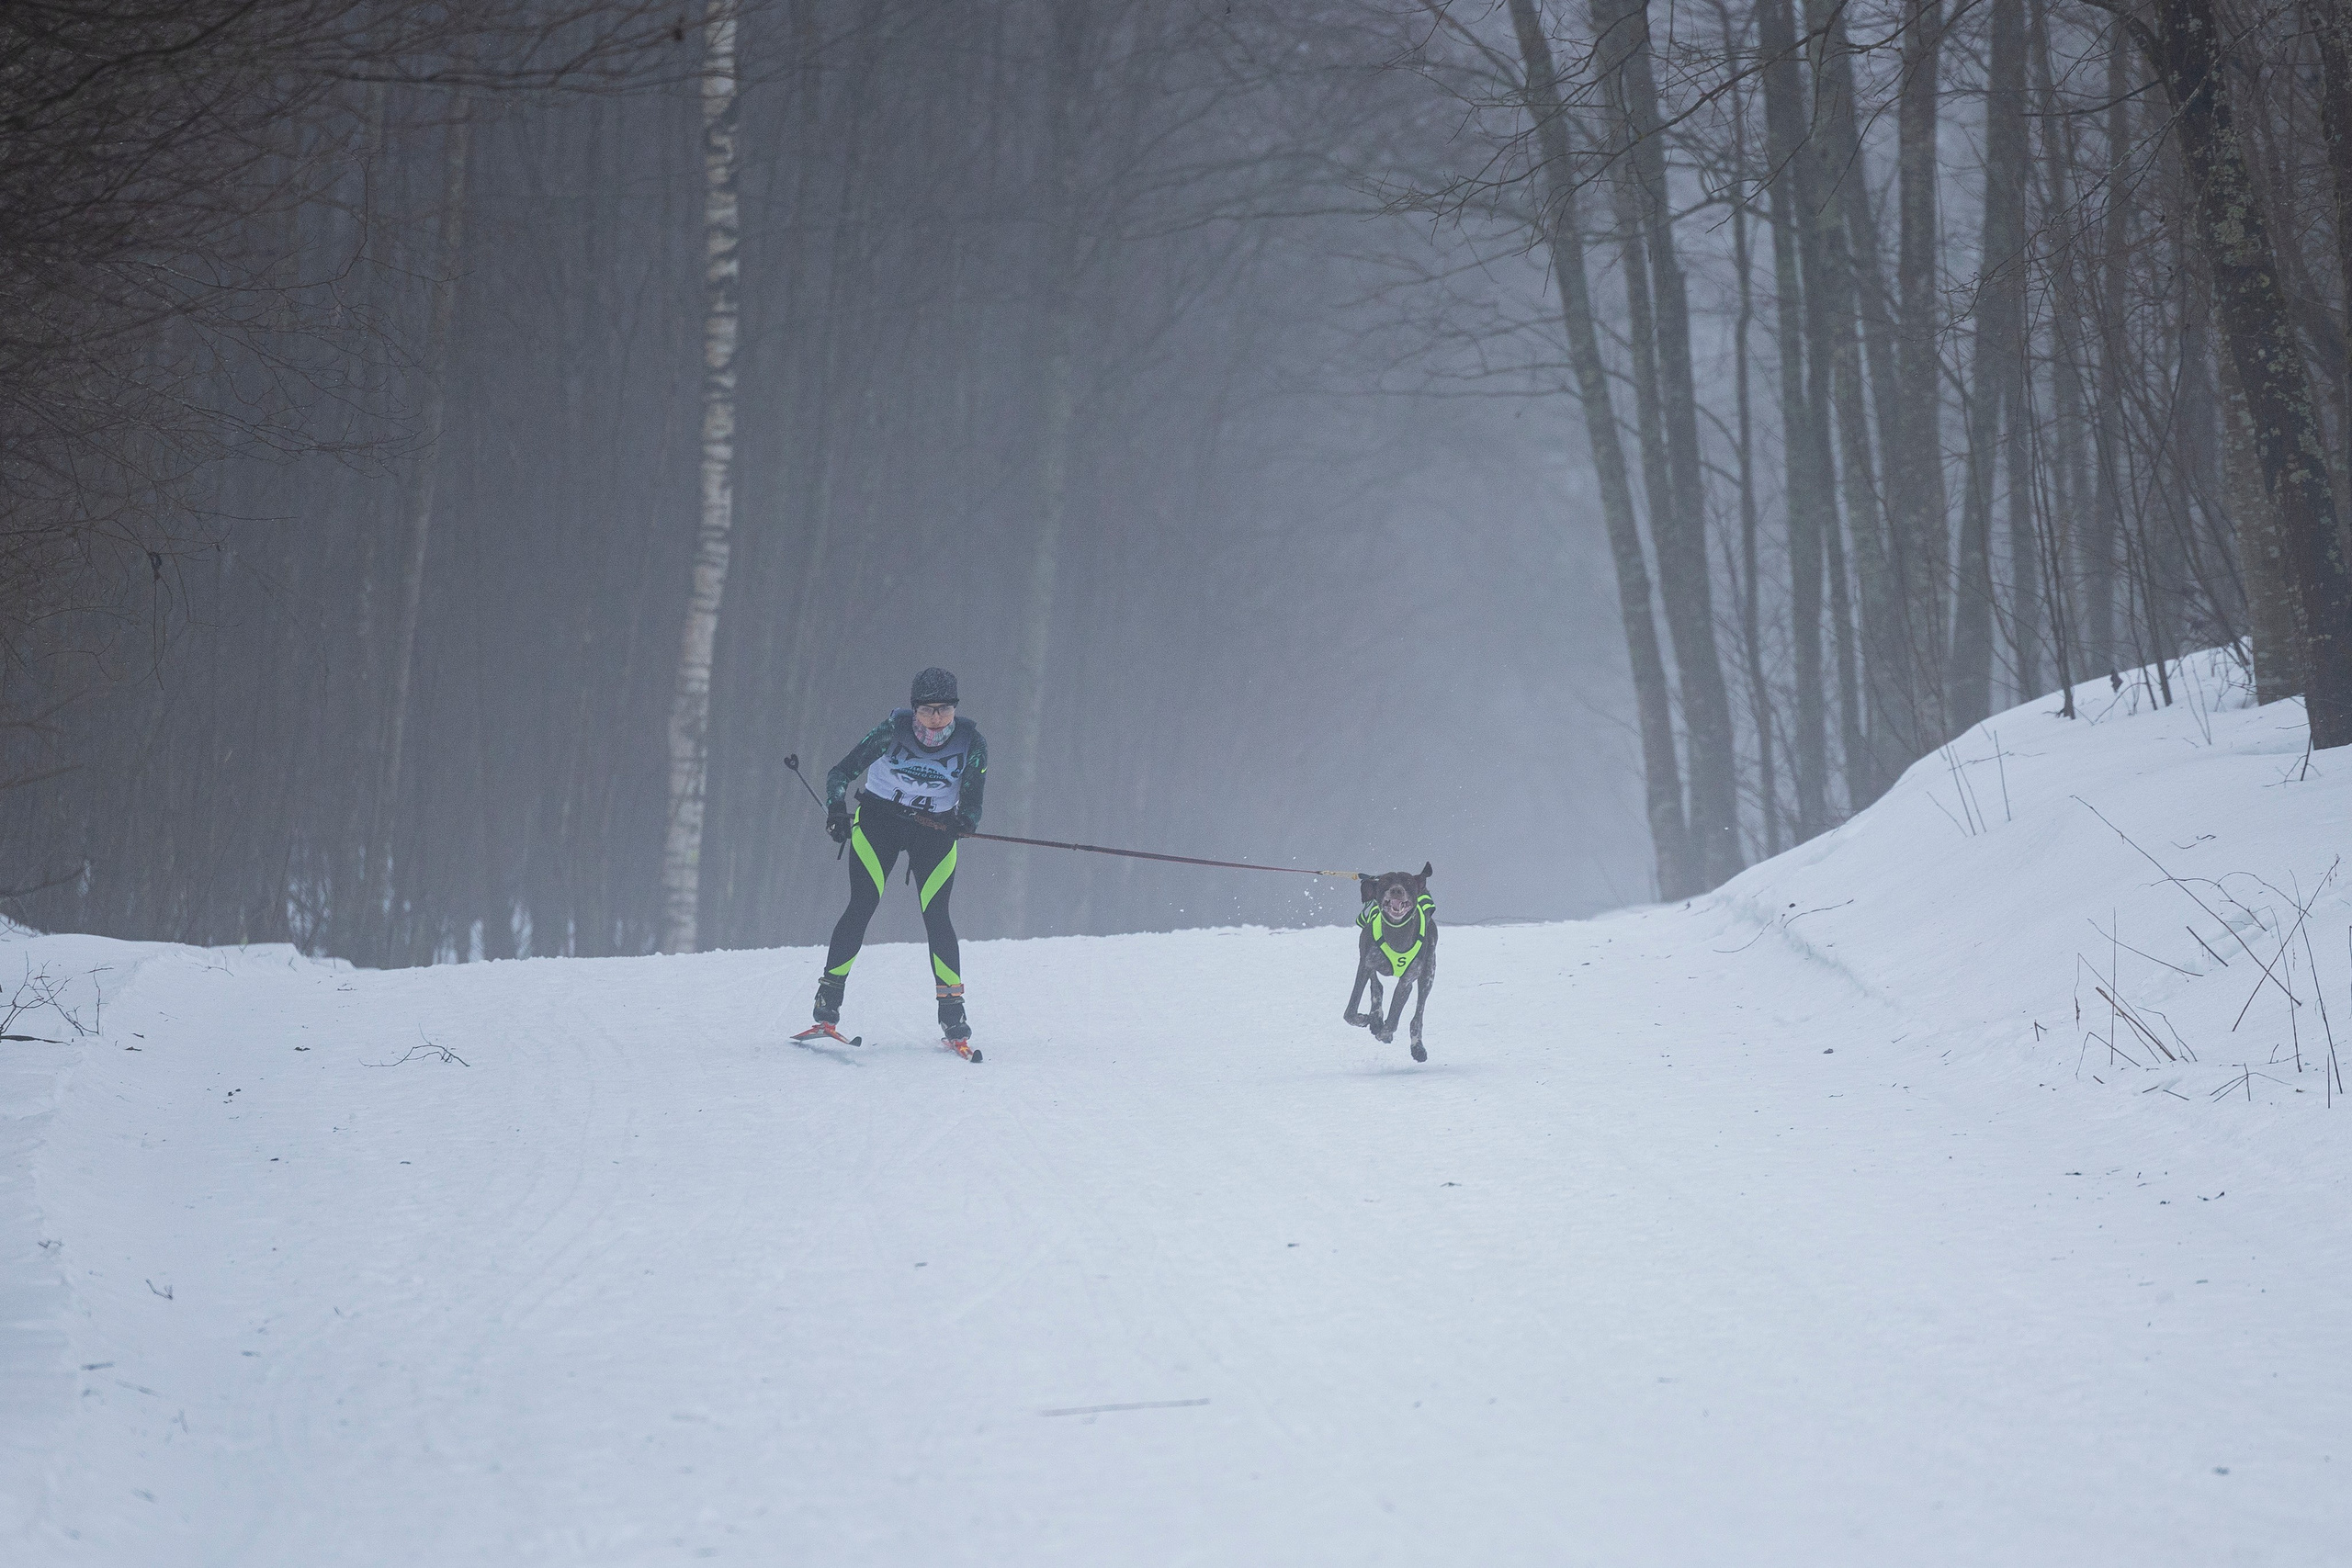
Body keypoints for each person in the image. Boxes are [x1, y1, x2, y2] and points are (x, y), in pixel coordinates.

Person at [810, 667, 988, 1046]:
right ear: (914, 708)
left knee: (937, 915)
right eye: (927, 710)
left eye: (944, 709)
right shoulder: (892, 731)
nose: (936, 718)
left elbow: (973, 801)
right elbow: (840, 773)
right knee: (862, 905)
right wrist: (836, 810)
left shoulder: (972, 742)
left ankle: (953, 1015)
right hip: (879, 825)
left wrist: (966, 822)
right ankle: (827, 1003)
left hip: (934, 832)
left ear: (955, 708)